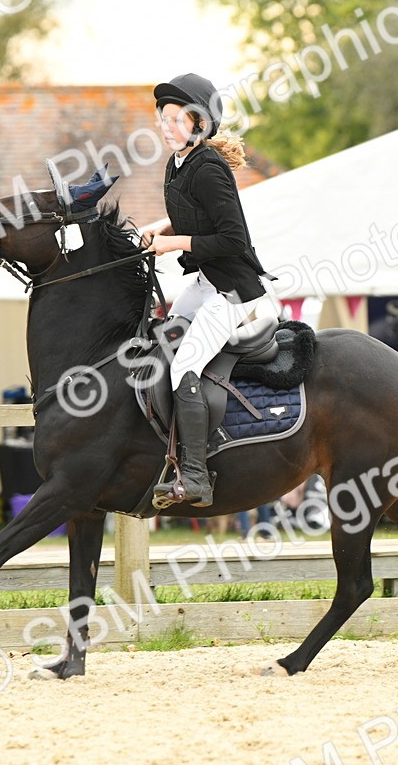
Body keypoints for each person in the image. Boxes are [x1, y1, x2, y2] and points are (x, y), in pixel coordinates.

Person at [139, 73, 277, 508]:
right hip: (205, 283)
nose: (166, 125)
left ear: (198, 124)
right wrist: (157, 228)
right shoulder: (178, 164)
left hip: (236, 294)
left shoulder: (210, 169)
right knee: (163, 338)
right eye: (163, 118)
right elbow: (196, 220)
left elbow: (233, 238)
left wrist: (173, 243)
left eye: (176, 119)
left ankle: (196, 478)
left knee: (185, 367)